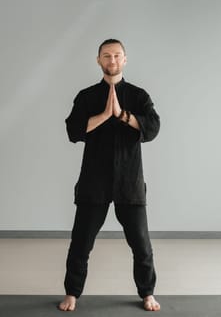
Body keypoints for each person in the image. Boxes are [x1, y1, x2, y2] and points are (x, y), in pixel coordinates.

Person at [59, 39, 161, 312]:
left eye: (117, 55)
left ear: (125, 59)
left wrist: (123, 115)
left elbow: (153, 127)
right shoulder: (87, 96)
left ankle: (147, 293)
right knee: (81, 242)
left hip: (130, 182)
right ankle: (72, 293)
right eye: (107, 55)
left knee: (141, 244)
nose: (112, 60)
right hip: (94, 181)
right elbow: (73, 130)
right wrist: (105, 115)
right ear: (98, 60)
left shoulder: (139, 96)